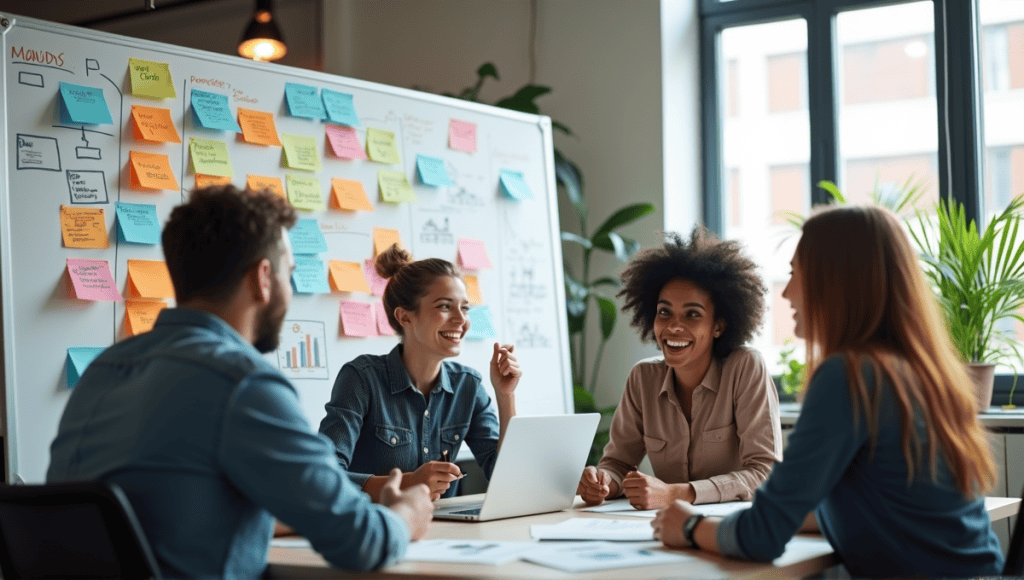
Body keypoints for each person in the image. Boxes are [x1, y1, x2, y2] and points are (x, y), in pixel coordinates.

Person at [48, 185, 433, 579]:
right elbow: (362, 543)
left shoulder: (105, 369)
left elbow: (174, 516)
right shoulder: (243, 384)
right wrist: (407, 514)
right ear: (263, 278)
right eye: (289, 273)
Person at [653, 205, 1004, 577]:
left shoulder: (851, 375)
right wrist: (755, 518)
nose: (787, 293)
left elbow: (762, 537)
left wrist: (690, 527)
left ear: (835, 282)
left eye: (795, 274)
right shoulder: (921, 371)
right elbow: (878, 508)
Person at [578, 227, 781, 509]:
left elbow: (765, 473)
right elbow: (618, 464)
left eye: (692, 314)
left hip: (734, 526)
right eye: (664, 312)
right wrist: (602, 481)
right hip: (664, 527)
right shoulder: (642, 378)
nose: (674, 326)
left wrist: (676, 494)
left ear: (718, 326)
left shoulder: (745, 368)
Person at [319, 244, 521, 501]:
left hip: (445, 528)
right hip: (378, 526)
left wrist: (506, 396)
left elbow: (506, 476)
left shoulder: (467, 385)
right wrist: (407, 482)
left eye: (465, 308)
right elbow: (324, 474)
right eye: (445, 307)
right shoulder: (361, 378)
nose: (461, 320)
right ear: (405, 317)